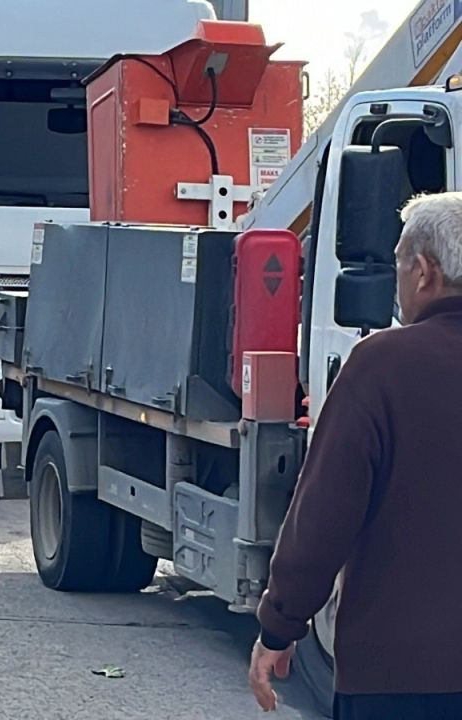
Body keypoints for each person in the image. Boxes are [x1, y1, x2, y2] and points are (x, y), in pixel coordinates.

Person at [249, 193, 462, 718]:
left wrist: (280, 625)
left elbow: (322, 517)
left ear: (422, 272)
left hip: (402, 677)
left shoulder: (384, 366)